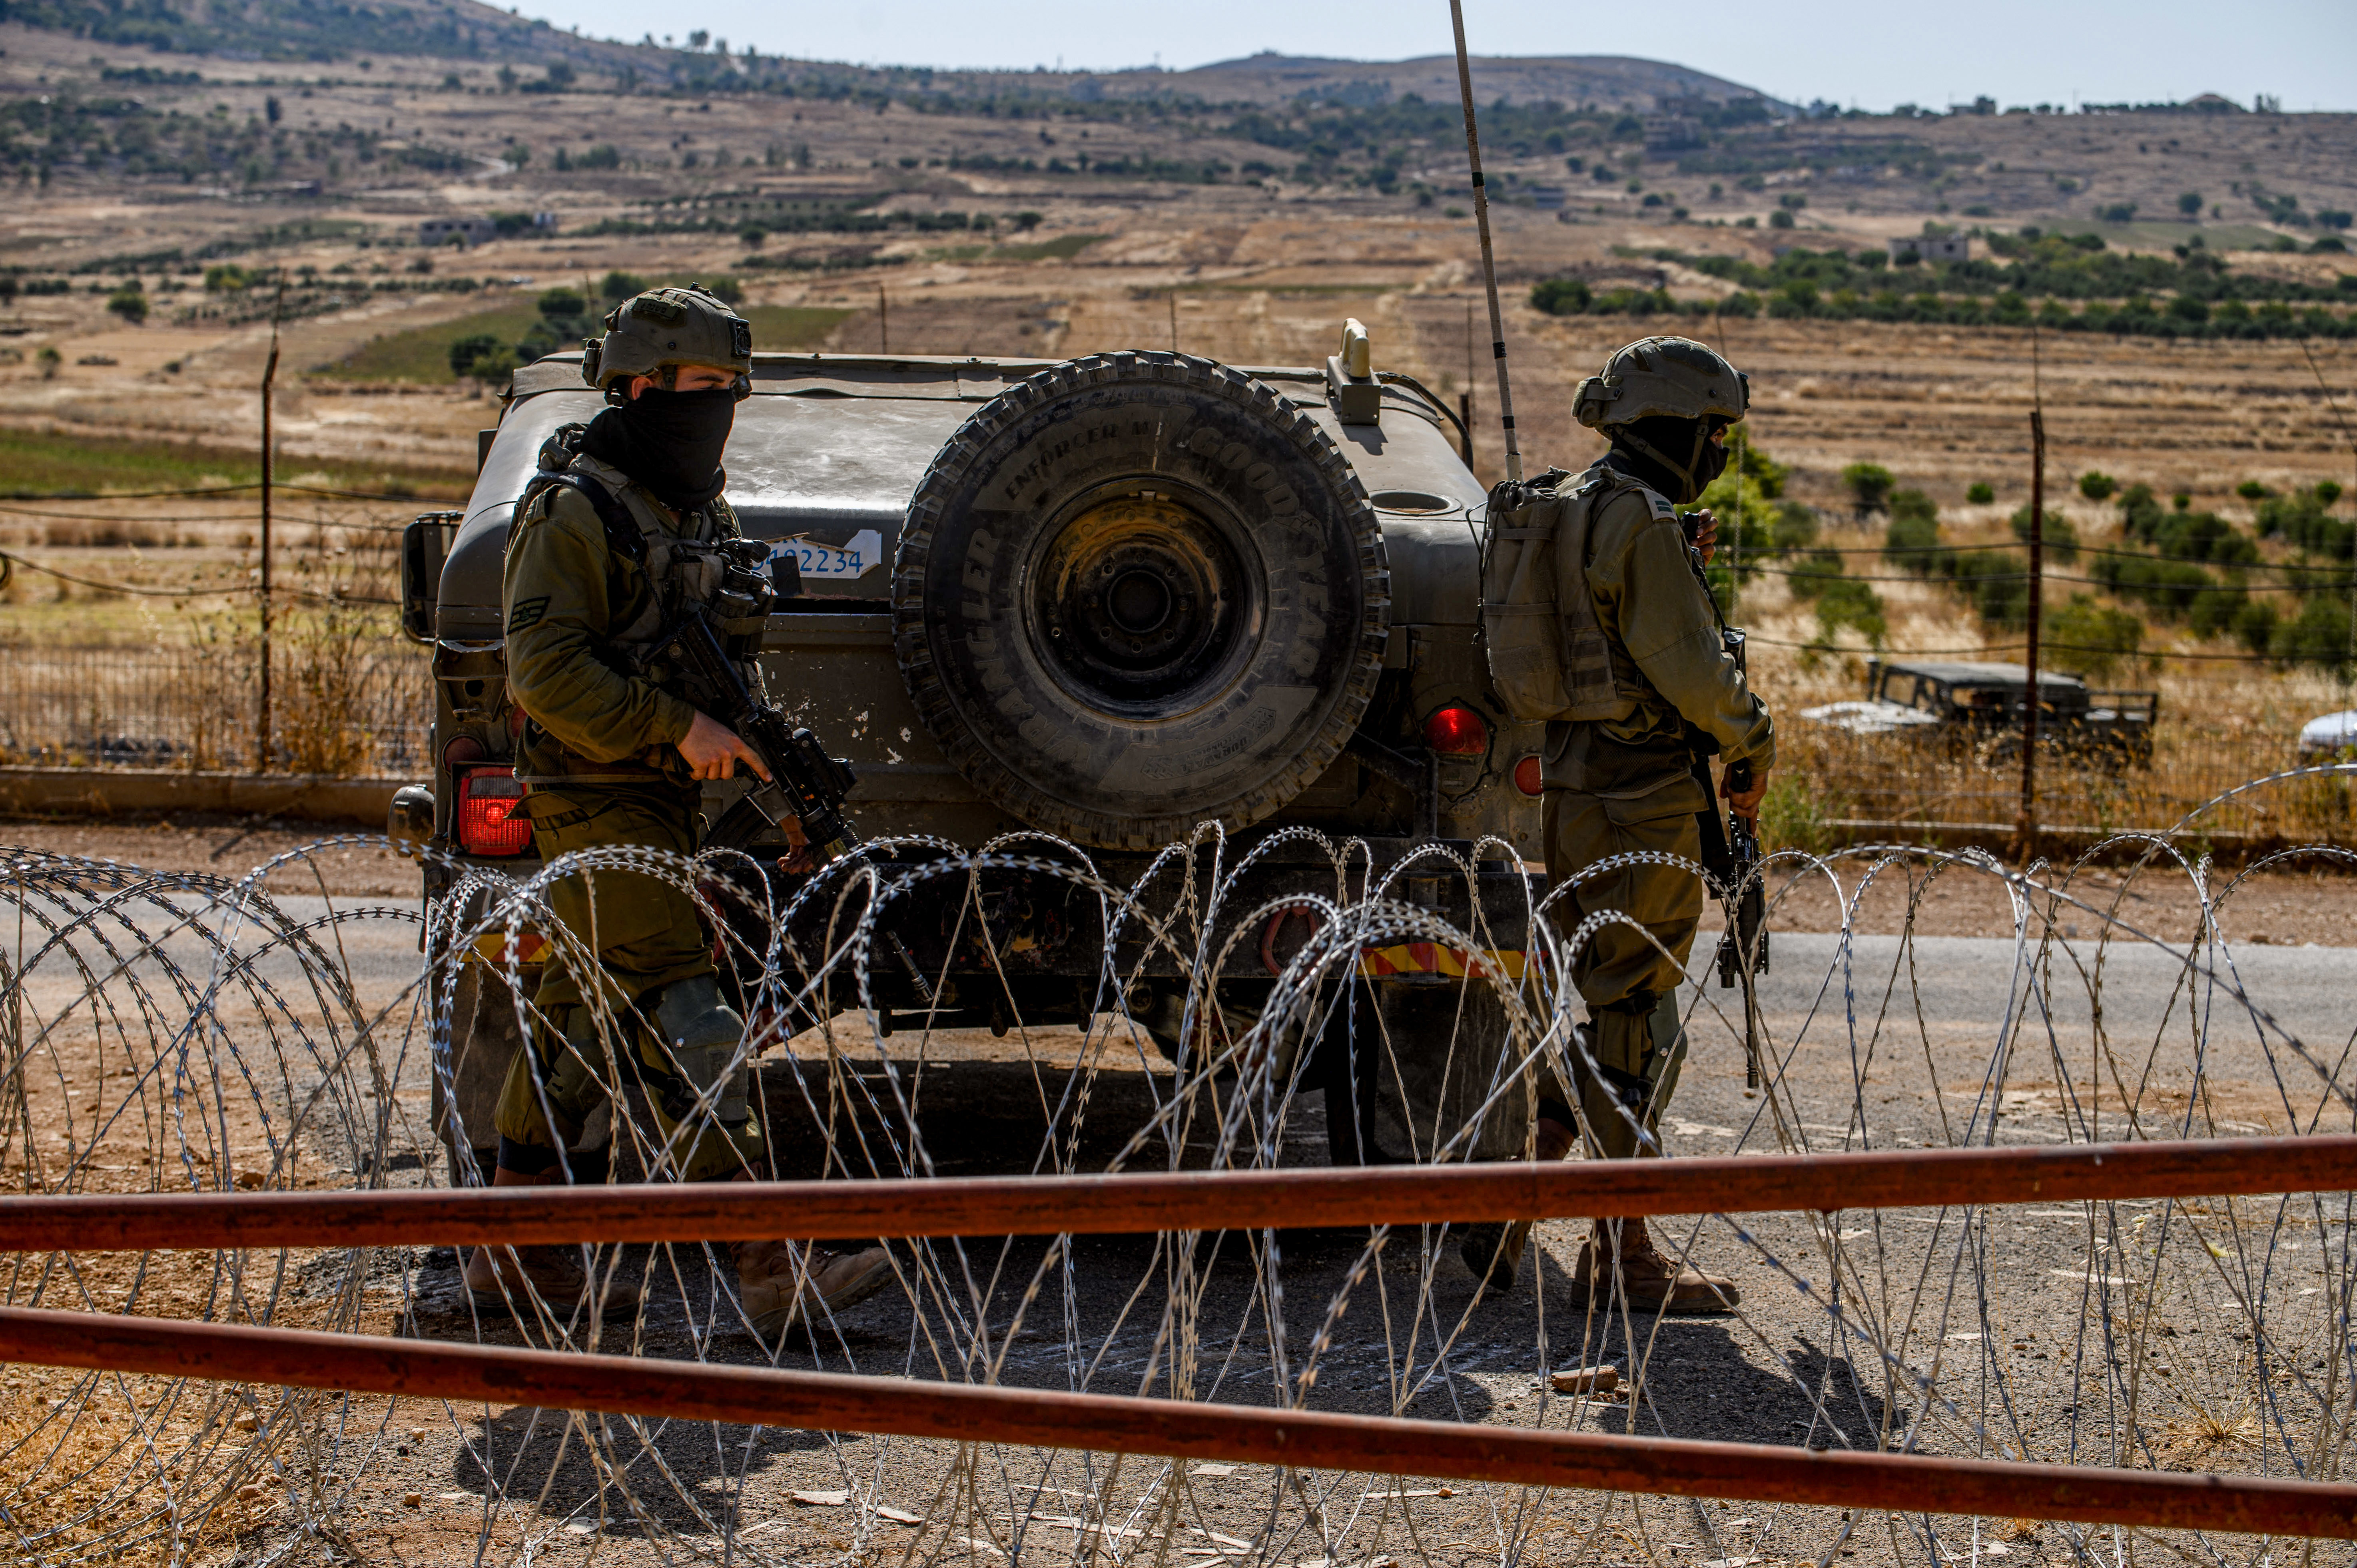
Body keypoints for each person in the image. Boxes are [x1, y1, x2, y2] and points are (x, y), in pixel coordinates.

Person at [464, 283, 893, 1340]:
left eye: (730, 390)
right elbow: (544, 672)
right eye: (702, 388)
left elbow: (720, 674)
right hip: (594, 794)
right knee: (685, 1008)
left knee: (575, 1021)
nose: (720, 408)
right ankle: (764, 1260)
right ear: (641, 383)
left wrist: (773, 786)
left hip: (658, 798)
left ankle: (521, 1260)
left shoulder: (693, 509)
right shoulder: (578, 507)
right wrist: (673, 728)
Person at [1482, 335, 1774, 1311]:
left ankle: (1509, 1203)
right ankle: (1623, 1258)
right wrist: (1752, 738)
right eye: (1714, 432)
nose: (1720, 451)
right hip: (1642, 792)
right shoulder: (1641, 522)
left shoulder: (1569, 506)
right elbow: (1688, 668)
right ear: (1676, 427)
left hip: (1573, 792)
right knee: (1637, 1021)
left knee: (1617, 1004)